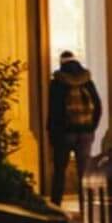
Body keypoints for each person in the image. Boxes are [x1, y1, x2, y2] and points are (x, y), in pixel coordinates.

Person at [47, 50, 102, 206]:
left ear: (61, 63)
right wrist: (92, 127)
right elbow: (98, 106)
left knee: (59, 170)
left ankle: (56, 204)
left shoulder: (57, 83)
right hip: (85, 133)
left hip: (64, 133)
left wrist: (52, 133)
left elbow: (54, 110)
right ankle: (86, 206)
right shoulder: (87, 81)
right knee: (83, 171)